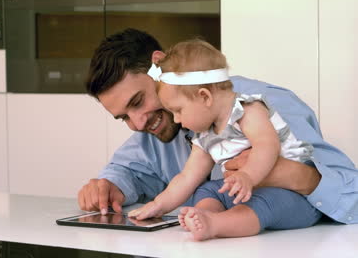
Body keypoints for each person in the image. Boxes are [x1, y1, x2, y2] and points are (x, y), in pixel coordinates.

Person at [79, 28, 358, 225]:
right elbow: (129, 171)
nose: (137, 123)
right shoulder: (156, 129)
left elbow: (354, 200)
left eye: (138, 102)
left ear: (159, 66)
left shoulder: (265, 105)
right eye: (124, 117)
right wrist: (109, 186)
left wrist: (297, 177)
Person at [126, 38, 322, 240]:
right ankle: (205, 215)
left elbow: (266, 146)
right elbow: (187, 177)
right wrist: (158, 205)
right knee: (206, 189)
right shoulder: (205, 134)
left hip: (292, 198)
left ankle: (215, 224)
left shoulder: (248, 110)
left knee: (261, 203)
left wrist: (247, 176)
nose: (176, 119)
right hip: (248, 192)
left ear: (205, 97)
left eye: (178, 111)